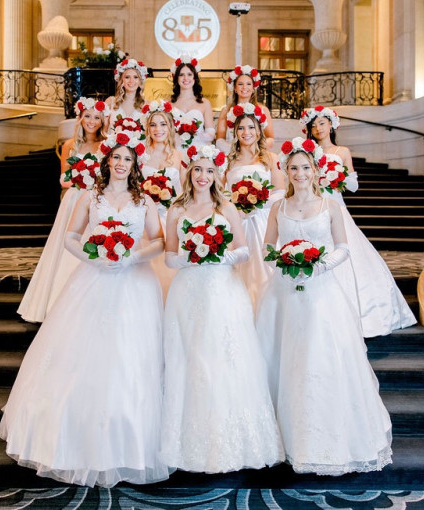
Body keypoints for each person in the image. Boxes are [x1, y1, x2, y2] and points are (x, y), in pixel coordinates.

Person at [0, 134, 170, 488]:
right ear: (107, 162)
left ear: (134, 166)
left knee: (129, 356)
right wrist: (94, 257)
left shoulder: (145, 201)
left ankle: (129, 442)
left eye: (127, 159)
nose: (121, 164)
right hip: (93, 277)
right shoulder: (90, 197)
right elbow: (70, 237)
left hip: (135, 283)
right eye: (116, 158)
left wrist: (132, 257)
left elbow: (159, 241)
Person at [256, 138, 393, 476]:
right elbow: (267, 248)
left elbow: (343, 247)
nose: (299, 173)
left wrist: (320, 266)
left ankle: (326, 439)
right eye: (293, 168)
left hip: (322, 292)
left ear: (315, 170)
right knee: (282, 357)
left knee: (320, 356)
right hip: (283, 294)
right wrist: (283, 264)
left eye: (305, 167)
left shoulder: (330, 206)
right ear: (286, 171)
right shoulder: (277, 207)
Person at [160, 144, 283, 473]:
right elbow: (169, 256)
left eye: (209, 171)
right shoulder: (176, 209)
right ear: (189, 172)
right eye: (198, 170)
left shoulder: (226, 207)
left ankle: (230, 441)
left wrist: (216, 254)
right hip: (188, 290)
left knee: (223, 357)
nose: (203, 176)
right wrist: (189, 257)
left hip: (222, 288)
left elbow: (243, 250)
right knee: (190, 358)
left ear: (217, 175)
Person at [303, 105, 417, 337]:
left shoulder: (342, 151)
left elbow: (354, 186)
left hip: (336, 206)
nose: (318, 129)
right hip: (314, 206)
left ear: (331, 125)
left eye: (322, 123)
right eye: (314, 126)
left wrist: (337, 178)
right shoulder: (308, 152)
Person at [17, 97, 106, 323]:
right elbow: (64, 179)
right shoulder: (69, 146)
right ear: (80, 118)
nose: (92, 121)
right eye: (88, 116)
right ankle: (57, 303)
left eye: (97, 117)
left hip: (97, 199)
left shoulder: (106, 145)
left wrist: (94, 181)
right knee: (67, 244)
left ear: (102, 121)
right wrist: (81, 177)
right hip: (74, 199)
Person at [224, 106, 285, 306]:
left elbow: (279, 192)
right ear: (235, 132)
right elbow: (222, 193)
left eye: (251, 127)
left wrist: (257, 203)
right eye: (241, 128)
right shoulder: (228, 161)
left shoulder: (270, 158)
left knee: (264, 268)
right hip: (237, 222)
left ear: (259, 130)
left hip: (263, 221)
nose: (246, 132)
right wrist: (236, 209)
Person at [141, 99, 184, 296]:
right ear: (148, 128)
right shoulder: (140, 155)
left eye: (163, 124)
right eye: (153, 125)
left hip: (169, 216)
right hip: (144, 215)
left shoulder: (178, 155)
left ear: (170, 127)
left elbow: (183, 190)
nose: (158, 129)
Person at [216, 65, 274, 152]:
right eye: (240, 84)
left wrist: (253, 150)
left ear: (253, 88)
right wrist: (237, 151)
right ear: (235, 88)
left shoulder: (263, 110)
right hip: (232, 154)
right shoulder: (226, 111)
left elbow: (270, 138)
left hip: (255, 154)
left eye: (248, 84)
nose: (244, 87)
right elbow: (220, 140)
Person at [170, 55, 215, 151]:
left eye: (189, 74)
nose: (186, 78)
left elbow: (211, 132)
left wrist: (196, 135)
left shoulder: (205, 103)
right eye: (181, 75)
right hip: (175, 150)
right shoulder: (168, 104)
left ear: (195, 78)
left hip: (198, 150)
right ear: (177, 78)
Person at [106, 57, 148, 135]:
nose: (131, 81)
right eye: (127, 77)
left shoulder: (146, 105)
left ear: (140, 81)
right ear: (121, 80)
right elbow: (103, 130)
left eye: (135, 77)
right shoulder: (110, 102)